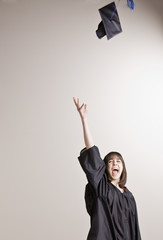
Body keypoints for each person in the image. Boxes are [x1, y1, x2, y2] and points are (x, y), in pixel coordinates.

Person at [73, 97, 142, 240]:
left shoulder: (129, 196)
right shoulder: (101, 186)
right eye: (110, 162)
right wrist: (84, 121)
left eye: (118, 161)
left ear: (123, 167)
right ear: (104, 167)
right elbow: (92, 151)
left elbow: (135, 230)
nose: (115, 164)